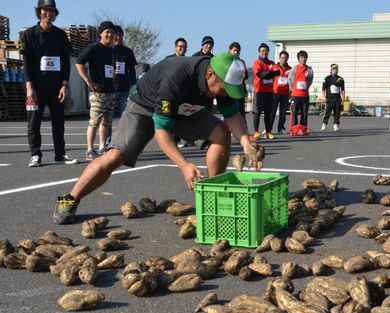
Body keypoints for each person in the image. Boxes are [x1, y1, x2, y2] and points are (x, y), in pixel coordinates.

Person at [52, 52, 262, 225]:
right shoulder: (177, 77)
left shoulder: (219, 80)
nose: (224, 95)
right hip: (144, 105)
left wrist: (245, 141)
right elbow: (161, 130)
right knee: (115, 156)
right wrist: (184, 165)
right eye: (224, 90)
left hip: (183, 109)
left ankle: (213, 200)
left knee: (221, 132)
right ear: (210, 75)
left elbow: (232, 115)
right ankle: (69, 199)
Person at [21, 0, 78, 167]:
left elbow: (66, 63)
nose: (48, 13)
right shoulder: (29, 34)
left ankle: (60, 154)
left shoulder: (60, 35)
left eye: (51, 10)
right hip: (36, 88)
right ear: (39, 12)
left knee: (59, 122)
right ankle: (35, 155)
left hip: (56, 87)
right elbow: (26, 62)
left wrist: (65, 85)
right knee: (34, 122)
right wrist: (29, 86)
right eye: (45, 10)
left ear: (55, 13)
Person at [76, 21, 116, 160]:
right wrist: (88, 81)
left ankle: (101, 148)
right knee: (94, 122)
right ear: (101, 34)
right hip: (98, 93)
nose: (110, 35)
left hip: (110, 91)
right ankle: (89, 150)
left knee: (106, 122)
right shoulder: (94, 48)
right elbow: (79, 62)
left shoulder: (112, 50)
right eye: (107, 32)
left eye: (112, 32)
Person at [105, 25, 137, 145]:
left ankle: (125, 141)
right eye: (116, 35)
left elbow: (132, 71)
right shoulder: (107, 50)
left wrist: (134, 87)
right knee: (108, 117)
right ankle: (108, 142)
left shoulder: (128, 52)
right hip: (109, 89)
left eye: (120, 35)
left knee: (126, 116)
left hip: (124, 89)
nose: (118, 37)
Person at [251, 43, 280, 140]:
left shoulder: (272, 62)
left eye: (266, 50)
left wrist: (268, 73)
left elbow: (278, 72)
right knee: (257, 112)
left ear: (268, 51)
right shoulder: (257, 62)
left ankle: (268, 132)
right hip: (259, 91)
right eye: (262, 51)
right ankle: (256, 132)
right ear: (259, 52)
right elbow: (261, 75)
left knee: (268, 113)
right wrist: (270, 73)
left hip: (269, 91)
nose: (264, 52)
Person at [288, 50, 314, 127]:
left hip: (305, 95)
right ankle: (294, 128)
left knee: (304, 113)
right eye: (302, 57)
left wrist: (306, 87)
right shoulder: (295, 68)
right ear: (298, 58)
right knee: (294, 113)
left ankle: (303, 128)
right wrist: (293, 88)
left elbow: (310, 80)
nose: (304, 59)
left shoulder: (309, 69)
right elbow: (290, 79)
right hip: (295, 95)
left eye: (305, 57)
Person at [228, 41, 248, 125]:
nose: (236, 52)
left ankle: (244, 130)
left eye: (238, 51)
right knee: (231, 111)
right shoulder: (227, 61)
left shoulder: (242, 62)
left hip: (240, 90)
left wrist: (243, 75)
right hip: (230, 90)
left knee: (241, 111)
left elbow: (246, 75)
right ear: (230, 51)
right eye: (234, 50)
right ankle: (229, 129)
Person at [321, 64, 345, 131]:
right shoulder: (327, 78)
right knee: (327, 112)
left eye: (336, 69)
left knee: (337, 112)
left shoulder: (340, 79)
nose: (335, 70)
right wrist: (324, 97)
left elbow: (342, 89)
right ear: (331, 70)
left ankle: (336, 124)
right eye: (333, 69)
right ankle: (324, 123)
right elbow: (323, 89)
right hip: (329, 98)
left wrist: (343, 97)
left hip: (337, 98)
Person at [272, 51, 291, 133]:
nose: (284, 59)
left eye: (285, 58)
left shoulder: (290, 69)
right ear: (279, 58)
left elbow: (291, 81)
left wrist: (290, 92)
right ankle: (268, 129)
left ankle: (281, 128)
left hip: (285, 94)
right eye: (282, 58)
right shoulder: (274, 67)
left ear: (287, 59)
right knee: (272, 112)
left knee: (283, 113)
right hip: (275, 92)